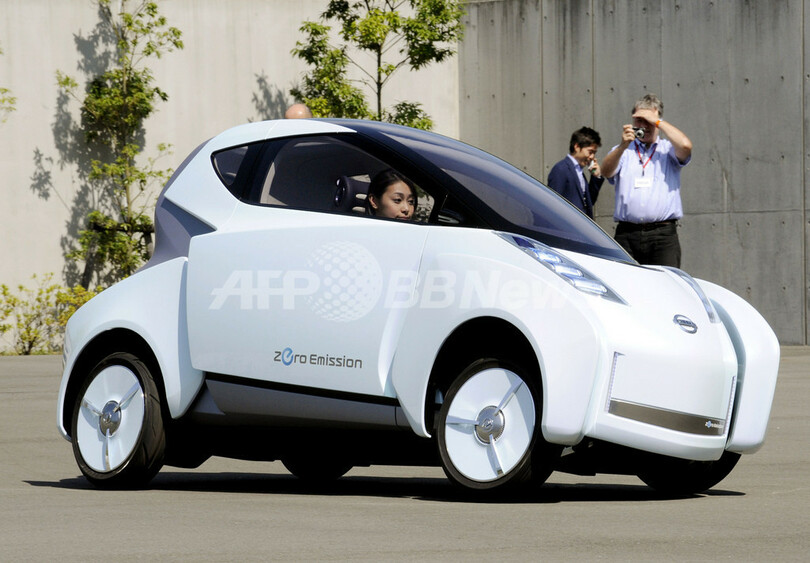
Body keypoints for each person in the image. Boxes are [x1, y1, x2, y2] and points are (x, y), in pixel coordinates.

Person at [600, 93, 693, 267]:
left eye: (647, 121)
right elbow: (605, 171)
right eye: (638, 120)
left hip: (662, 235)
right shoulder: (623, 150)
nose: (643, 126)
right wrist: (623, 146)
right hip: (627, 234)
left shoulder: (667, 149)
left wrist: (657, 121)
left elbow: (685, 145)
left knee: (665, 282)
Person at [547, 127, 604, 218]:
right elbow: (553, 203)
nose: (592, 157)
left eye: (594, 153)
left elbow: (588, 203)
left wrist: (596, 176)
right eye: (590, 152)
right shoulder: (561, 169)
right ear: (577, 147)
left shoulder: (579, 172)